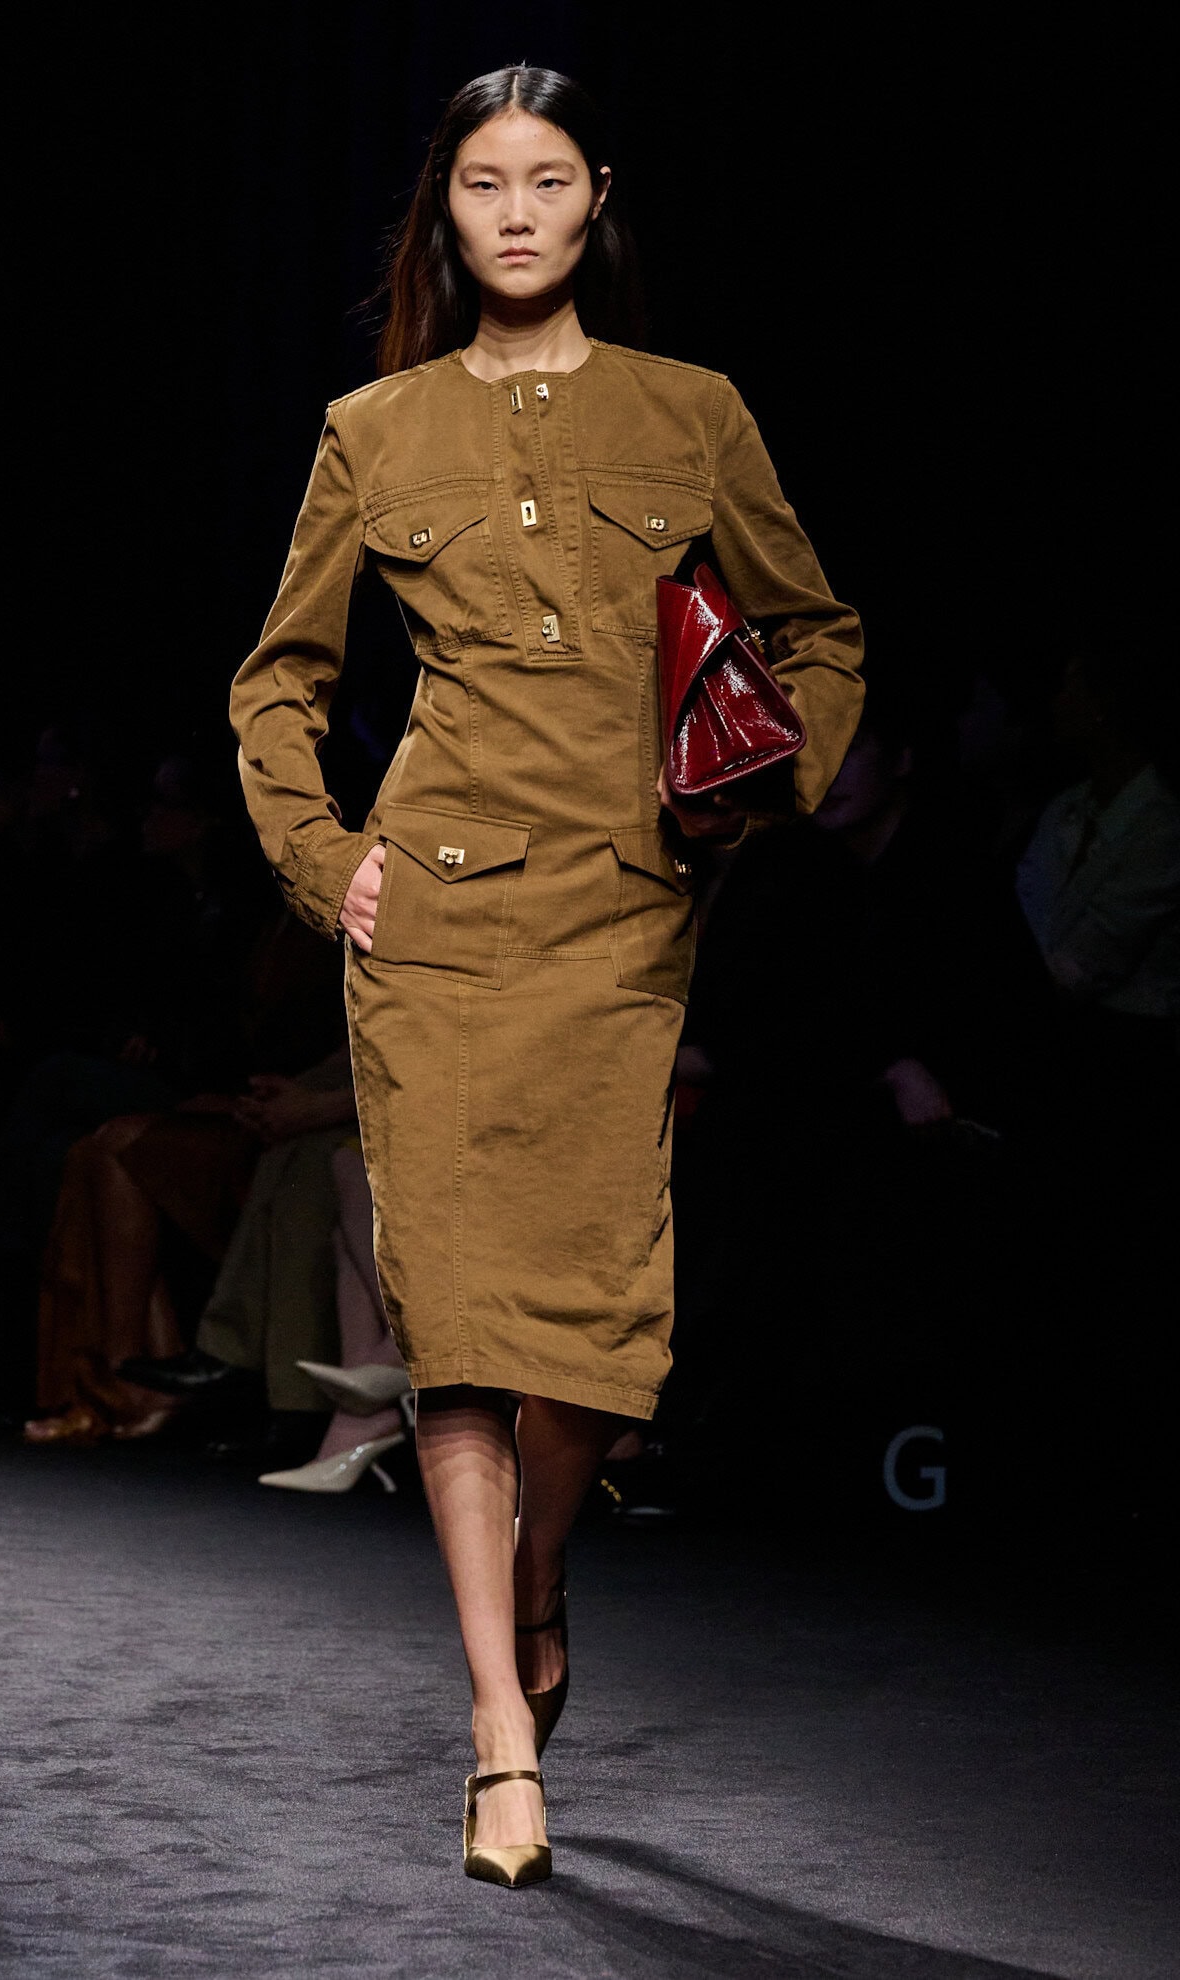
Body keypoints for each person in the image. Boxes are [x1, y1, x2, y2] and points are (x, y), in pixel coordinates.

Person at [229, 64, 863, 1886]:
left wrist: (754, 799)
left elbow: (820, 635)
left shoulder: (691, 412)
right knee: (457, 1337)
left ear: (598, 202)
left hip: (620, 921)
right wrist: (322, 859)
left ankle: (541, 1570)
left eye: (550, 181)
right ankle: (501, 1733)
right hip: (434, 923)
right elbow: (277, 681)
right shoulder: (376, 429)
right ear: (445, 212)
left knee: (585, 1331)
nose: (517, 213)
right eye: (484, 184)